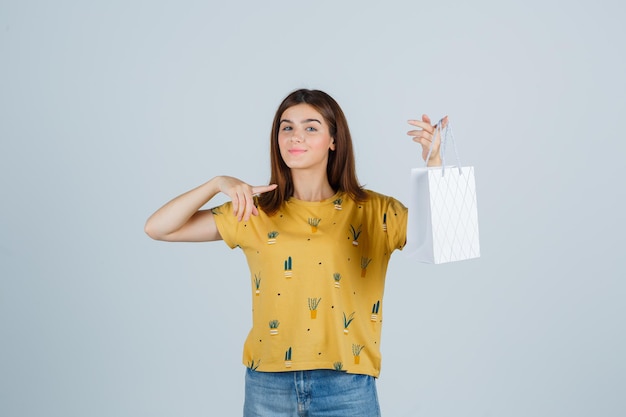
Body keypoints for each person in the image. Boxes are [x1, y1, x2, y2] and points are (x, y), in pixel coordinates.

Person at [145, 89, 446, 417]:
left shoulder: (374, 210)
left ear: (334, 139)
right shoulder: (253, 211)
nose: (295, 137)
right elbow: (159, 228)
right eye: (286, 127)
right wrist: (217, 183)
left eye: (311, 127)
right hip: (268, 383)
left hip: (346, 383)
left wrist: (434, 163)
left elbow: (437, 239)